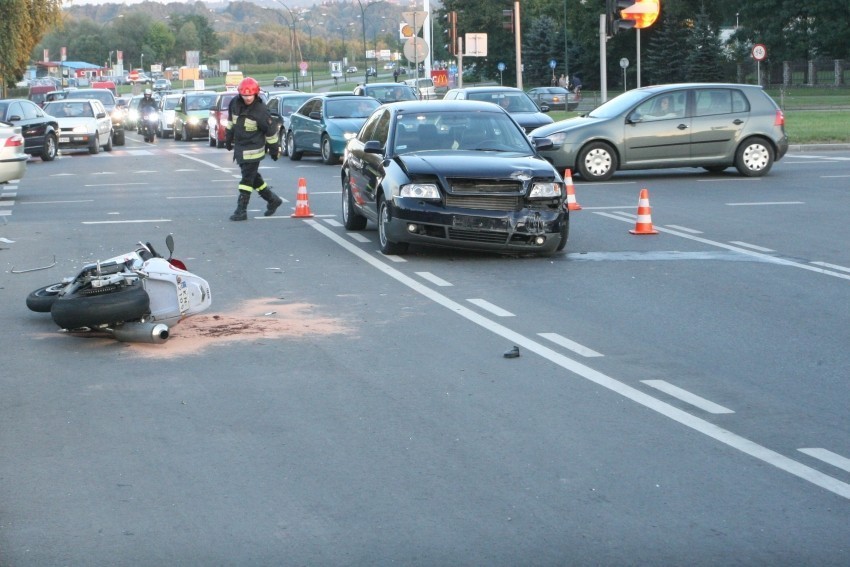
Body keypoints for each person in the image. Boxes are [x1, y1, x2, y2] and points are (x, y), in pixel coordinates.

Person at [224, 77, 282, 221]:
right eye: (245, 95)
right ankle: (272, 199)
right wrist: (228, 138)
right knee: (253, 177)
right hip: (240, 148)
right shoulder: (234, 104)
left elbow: (270, 132)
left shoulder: (261, 111)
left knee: (246, 180)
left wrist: (274, 151)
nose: (247, 98)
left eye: (250, 95)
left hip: (254, 148)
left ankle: (241, 210)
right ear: (240, 94)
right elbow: (231, 122)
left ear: (256, 94)